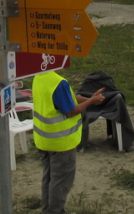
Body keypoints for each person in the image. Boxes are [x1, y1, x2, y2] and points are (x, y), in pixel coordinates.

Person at [33, 71, 105, 214]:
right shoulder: (59, 83)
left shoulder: (39, 76)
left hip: (44, 139)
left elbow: (66, 99)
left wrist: (89, 99)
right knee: (61, 181)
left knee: (49, 178)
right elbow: (70, 111)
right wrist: (90, 102)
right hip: (61, 142)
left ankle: (47, 209)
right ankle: (55, 211)